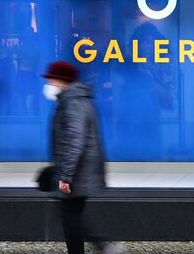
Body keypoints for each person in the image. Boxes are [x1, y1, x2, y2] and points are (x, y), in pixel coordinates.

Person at [42, 61, 125, 254]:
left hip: (77, 172)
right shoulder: (72, 100)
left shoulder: (74, 102)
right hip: (78, 170)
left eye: (52, 79)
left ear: (62, 81)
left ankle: (104, 244)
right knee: (71, 216)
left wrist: (66, 176)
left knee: (70, 216)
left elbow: (75, 140)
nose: (49, 84)